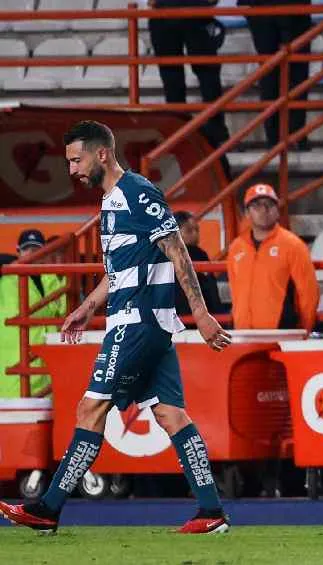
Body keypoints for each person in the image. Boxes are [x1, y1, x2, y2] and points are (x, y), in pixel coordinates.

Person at [0, 121, 232, 534]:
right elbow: (118, 271)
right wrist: (88, 307)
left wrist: (200, 313)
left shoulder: (137, 193)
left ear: (102, 153)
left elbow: (176, 247)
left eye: (76, 159)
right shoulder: (110, 203)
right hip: (146, 322)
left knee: (91, 408)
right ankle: (211, 511)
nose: (72, 170)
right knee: (170, 413)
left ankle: (48, 509)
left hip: (138, 321)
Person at [225, 184, 318, 332]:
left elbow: (308, 292)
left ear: (277, 211)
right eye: (256, 205)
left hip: (280, 331)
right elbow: (235, 292)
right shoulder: (236, 247)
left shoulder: (293, 245)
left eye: (269, 205)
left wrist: (304, 329)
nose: (263, 210)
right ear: (247, 213)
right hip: (243, 332)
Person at [147, 0, 231, 149]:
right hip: (182, 12)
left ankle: (179, 132)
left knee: (188, 74)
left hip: (175, 13)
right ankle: (212, 132)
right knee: (199, 73)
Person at [0, 230, 68, 398]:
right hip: (13, 363)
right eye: (26, 249)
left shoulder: (53, 279)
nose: (31, 253)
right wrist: (9, 263)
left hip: (46, 365)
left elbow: (67, 311)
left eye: (36, 249)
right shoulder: (5, 277)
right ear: (18, 251)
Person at [240, 0, 312, 149]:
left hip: (274, 10)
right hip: (284, 10)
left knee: (274, 74)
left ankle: (278, 139)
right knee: (288, 73)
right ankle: (293, 137)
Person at [173, 211, 226, 324]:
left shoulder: (199, 253)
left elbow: (211, 289)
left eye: (197, 230)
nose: (195, 234)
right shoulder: (197, 253)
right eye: (189, 231)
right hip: (192, 317)